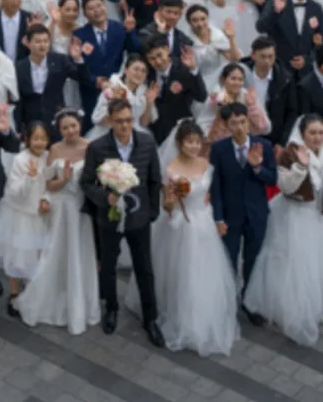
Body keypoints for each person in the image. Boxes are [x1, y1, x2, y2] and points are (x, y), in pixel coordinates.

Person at [128, 120, 239, 356]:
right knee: (182, 272)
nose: (194, 146)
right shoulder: (171, 169)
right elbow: (167, 206)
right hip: (180, 226)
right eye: (189, 142)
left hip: (204, 223)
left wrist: (216, 217)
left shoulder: (206, 164)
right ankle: (180, 316)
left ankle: (204, 318)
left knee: (205, 272)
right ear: (179, 143)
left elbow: (210, 194)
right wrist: (171, 200)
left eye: (197, 142)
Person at [243, 114, 323, 346]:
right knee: (295, 263)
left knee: (320, 263)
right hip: (295, 215)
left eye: (321, 132)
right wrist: (301, 166)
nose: (317, 137)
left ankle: (318, 305)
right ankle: (291, 308)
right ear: (302, 133)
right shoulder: (290, 154)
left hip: (320, 217)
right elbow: (285, 186)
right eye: (312, 133)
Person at [80, 98, 164, 346]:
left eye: (128, 120)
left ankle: (150, 318)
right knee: (108, 266)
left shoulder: (147, 142)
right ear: (110, 121)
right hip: (109, 217)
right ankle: (111, 308)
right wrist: (104, 198)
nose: (125, 126)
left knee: (144, 267)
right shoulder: (97, 147)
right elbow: (86, 182)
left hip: (139, 216)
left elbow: (154, 179)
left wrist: (152, 212)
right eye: (119, 121)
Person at [15, 110, 99, 333]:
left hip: (81, 208)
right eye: (65, 128)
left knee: (79, 253)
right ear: (59, 130)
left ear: (80, 125)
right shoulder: (55, 149)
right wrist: (64, 180)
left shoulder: (91, 147)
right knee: (55, 251)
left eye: (73, 126)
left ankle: (78, 303)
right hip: (61, 206)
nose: (70, 131)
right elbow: (48, 184)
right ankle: (50, 296)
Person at [208, 103, 276, 326]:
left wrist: (257, 167)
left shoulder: (264, 146)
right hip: (230, 215)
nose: (239, 127)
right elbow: (216, 187)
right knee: (228, 259)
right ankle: (227, 302)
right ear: (226, 125)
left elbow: (273, 179)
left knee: (253, 260)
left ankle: (249, 301)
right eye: (234, 123)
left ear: (248, 121)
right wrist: (218, 218)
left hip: (256, 214)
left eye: (243, 122)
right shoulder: (219, 149)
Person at [0, 123, 52, 312]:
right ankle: (14, 292)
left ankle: (31, 288)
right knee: (17, 255)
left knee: (36, 254)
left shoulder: (49, 157)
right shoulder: (20, 159)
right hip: (20, 213)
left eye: (43, 138)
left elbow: (50, 184)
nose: (39, 142)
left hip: (40, 213)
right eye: (36, 138)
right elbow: (14, 192)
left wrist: (46, 198)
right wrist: (29, 178)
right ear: (28, 140)